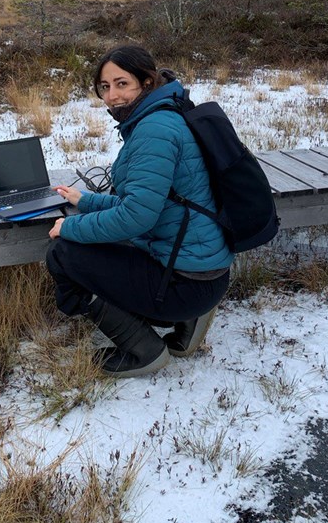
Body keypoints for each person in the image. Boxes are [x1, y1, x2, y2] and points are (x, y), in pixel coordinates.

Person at [46, 45, 232, 378]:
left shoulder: (154, 130)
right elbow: (151, 203)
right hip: (205, 270)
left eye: (122, 84)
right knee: (107, 241)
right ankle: (188, 326)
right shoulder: (169, 112)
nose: (112, 96)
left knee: (64, 254)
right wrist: (86, 201)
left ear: (146, 82)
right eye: (105, 87)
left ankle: (143, 350)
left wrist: (70, 229)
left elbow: (136, 218)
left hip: (183, 283)